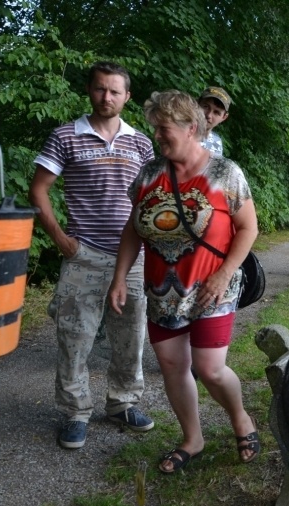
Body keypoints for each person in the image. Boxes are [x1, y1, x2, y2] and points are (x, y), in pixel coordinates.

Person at [107, 90, 260, 474]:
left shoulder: (226, 173)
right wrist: (120, 276)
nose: (157, 136)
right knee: (174, 367)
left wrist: (225, 274)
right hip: (162, 291)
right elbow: (133, 228)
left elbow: (248, 228)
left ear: (191, 128)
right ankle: (193, 439)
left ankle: (240, 417)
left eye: (164, 129)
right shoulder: (148, 174)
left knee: (210, 369)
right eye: (155, 128)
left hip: (212, 287)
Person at [29, 60, 155, 449]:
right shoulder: (66, 136)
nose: (107, 97)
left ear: (127, 97)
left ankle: (122, 403)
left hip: (133, 260)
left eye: (115, 90)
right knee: (75, 338)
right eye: (100, 89)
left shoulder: (141, 143)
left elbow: (154, 198)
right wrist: (60, 239)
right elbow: (38, 190)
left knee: (131, 337)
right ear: (90, 90)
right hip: (84, 255)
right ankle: (75, 411)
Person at [198, 86, 231, 156]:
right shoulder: (179, 130)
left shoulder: (216, 143)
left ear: (224, 117)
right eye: (206, 107)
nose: (209, 115)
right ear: (197, 104)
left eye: (216, 112)